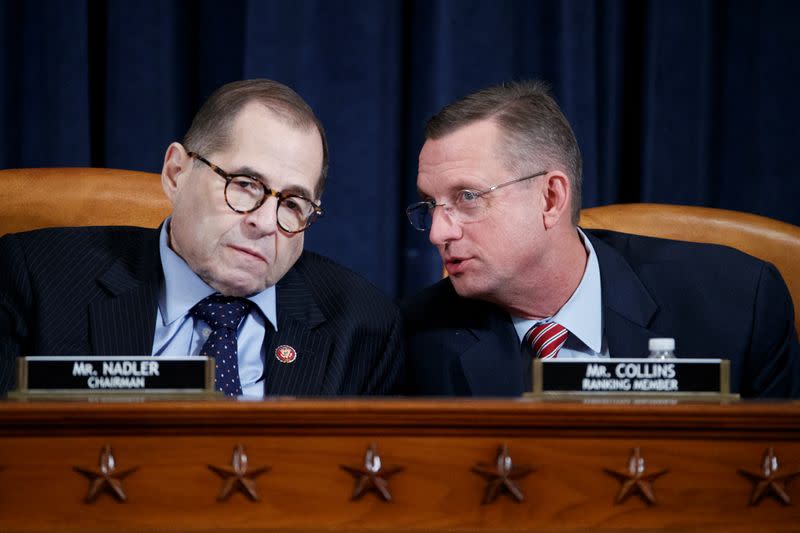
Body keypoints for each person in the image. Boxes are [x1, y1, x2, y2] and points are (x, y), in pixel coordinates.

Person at [0, 79, 403, 397]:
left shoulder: (362, 325)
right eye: (245, 184)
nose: (265, 223)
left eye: (293, 203)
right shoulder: (36, 279)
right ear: (176, 173)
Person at [402, 80, 799, 398]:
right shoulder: (414, 339)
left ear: (551, 197)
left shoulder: (738, 304)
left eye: (468, 197)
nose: (438, 232)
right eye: (430, 204)